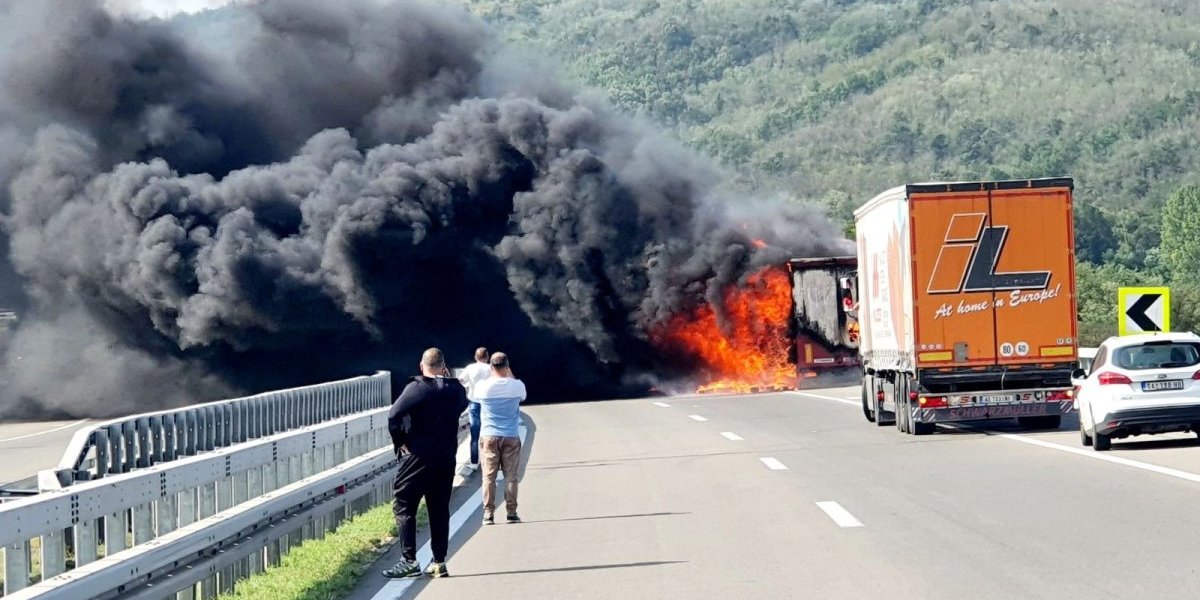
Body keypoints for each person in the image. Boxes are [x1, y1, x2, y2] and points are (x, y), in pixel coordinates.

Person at [383, 348, 468, 579]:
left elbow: (394, 415)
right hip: (446, 456)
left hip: (419, 456)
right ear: (444, 367)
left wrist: (401, 441)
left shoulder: (416, 388)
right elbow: (462, 406)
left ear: (422, 366)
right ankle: (439, 562)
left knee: (404, 503)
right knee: (439, 508)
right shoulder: (457, 390)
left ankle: (409, 560)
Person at [474, 352, 526, 525]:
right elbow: (523, 397)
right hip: (510, 435)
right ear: (507, 366)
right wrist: (509, 375)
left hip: (489, 435)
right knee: (511, 476)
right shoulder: (517, 386)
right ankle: (511, 512)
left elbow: (474, 399)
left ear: (491, 367)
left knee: (488, 477)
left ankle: (488, 513)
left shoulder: (483, 387)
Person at [456, 347, 491, 475]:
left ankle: (474, 462)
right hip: (489, 404)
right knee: (491, 432)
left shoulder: (470, 368)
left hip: (474, 403)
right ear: (487, 357)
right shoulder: (491, 369)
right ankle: (492, 460)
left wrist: (468, 385)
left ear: (476, 357)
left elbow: (460, 380)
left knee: (475, 435)